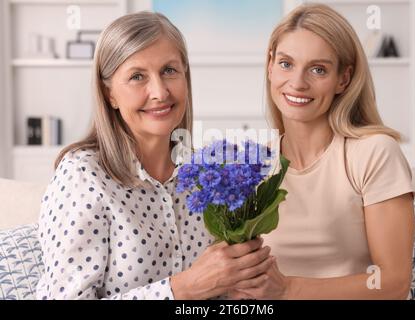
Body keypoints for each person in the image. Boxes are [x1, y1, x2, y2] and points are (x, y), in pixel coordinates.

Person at [35, 11, 272, 300]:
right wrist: (182, 289)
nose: (159, 92)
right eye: (137, 76)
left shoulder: (205, 177)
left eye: (169, 71)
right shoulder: (83, 176)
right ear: (109, 93)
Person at [229, 4, 415, 300]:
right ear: (270, 65)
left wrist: (289, 288)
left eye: (318, 69)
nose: (298, 83)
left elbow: (393, 283)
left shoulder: (374, 153)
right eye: (286, 64)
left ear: (344, 78)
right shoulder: (252, 166)